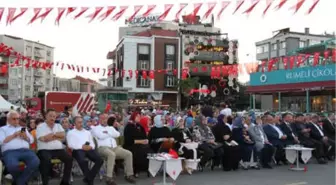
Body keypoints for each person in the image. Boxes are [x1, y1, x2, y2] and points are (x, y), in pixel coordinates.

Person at [91, 114, 135, 185]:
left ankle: (129, 175)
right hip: (102, 148)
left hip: (115, 148)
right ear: (99, 120)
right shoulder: (96, 128)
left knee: (128, 154)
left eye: (106, 118)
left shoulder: (110, 127)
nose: (104, 120)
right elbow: (101, 136)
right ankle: (109, 178)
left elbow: (117, 134)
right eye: (103, 118)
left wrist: (107, 133)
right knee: (111, 154)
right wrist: (110, 134)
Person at [0, 111, 40, 185]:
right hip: (10, 152)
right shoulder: (3, 129)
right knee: (12, 166)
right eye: (14, 119)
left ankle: (19, 182)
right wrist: (14, 135)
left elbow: (31, 141)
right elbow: (1, 141)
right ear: (8, 119)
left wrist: (26, 137)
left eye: (18, 119)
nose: (16, 121)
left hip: (25, 151)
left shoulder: (22, 128)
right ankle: (22, 182)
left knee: (35, 162)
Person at [36, 109, 73, 185]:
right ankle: (45, 182)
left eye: (54, 116)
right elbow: (43, 139)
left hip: (58, 150)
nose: (52, 118)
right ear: (46, 116)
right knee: (46, 160)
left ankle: (65, 182)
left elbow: (63, 136)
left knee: (69, 159)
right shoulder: (40, 126)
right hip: (44, 150)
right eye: (50, 116)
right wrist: (56, 136)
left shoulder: (58, 125)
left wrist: (51, 136)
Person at [67, 116, 103, 185]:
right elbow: (70, 145)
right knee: (83, 160)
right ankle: (90, 180)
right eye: (79, 122)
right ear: (74, 123)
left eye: (82, 122)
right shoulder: (71, 132)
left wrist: (90, 147)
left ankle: (88, 177)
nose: (81, 124)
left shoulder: (87, 132)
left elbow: (92, 144)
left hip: (88, 149)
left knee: (100, 160)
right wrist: (82, 147)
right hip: (77, 150)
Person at [123, 112, 151, 176]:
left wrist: (146, 140)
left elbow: (144, 136)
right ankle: (136, 170)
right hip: (130, 145)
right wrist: (141, 141)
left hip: (140, 144)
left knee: (148, 150)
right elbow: (128, 140)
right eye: (137, 116)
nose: (139, 118)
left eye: (139, 116)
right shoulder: (128, 127)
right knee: (138, 151)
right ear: (133, 117)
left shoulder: (140, 126)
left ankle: (144, 168)